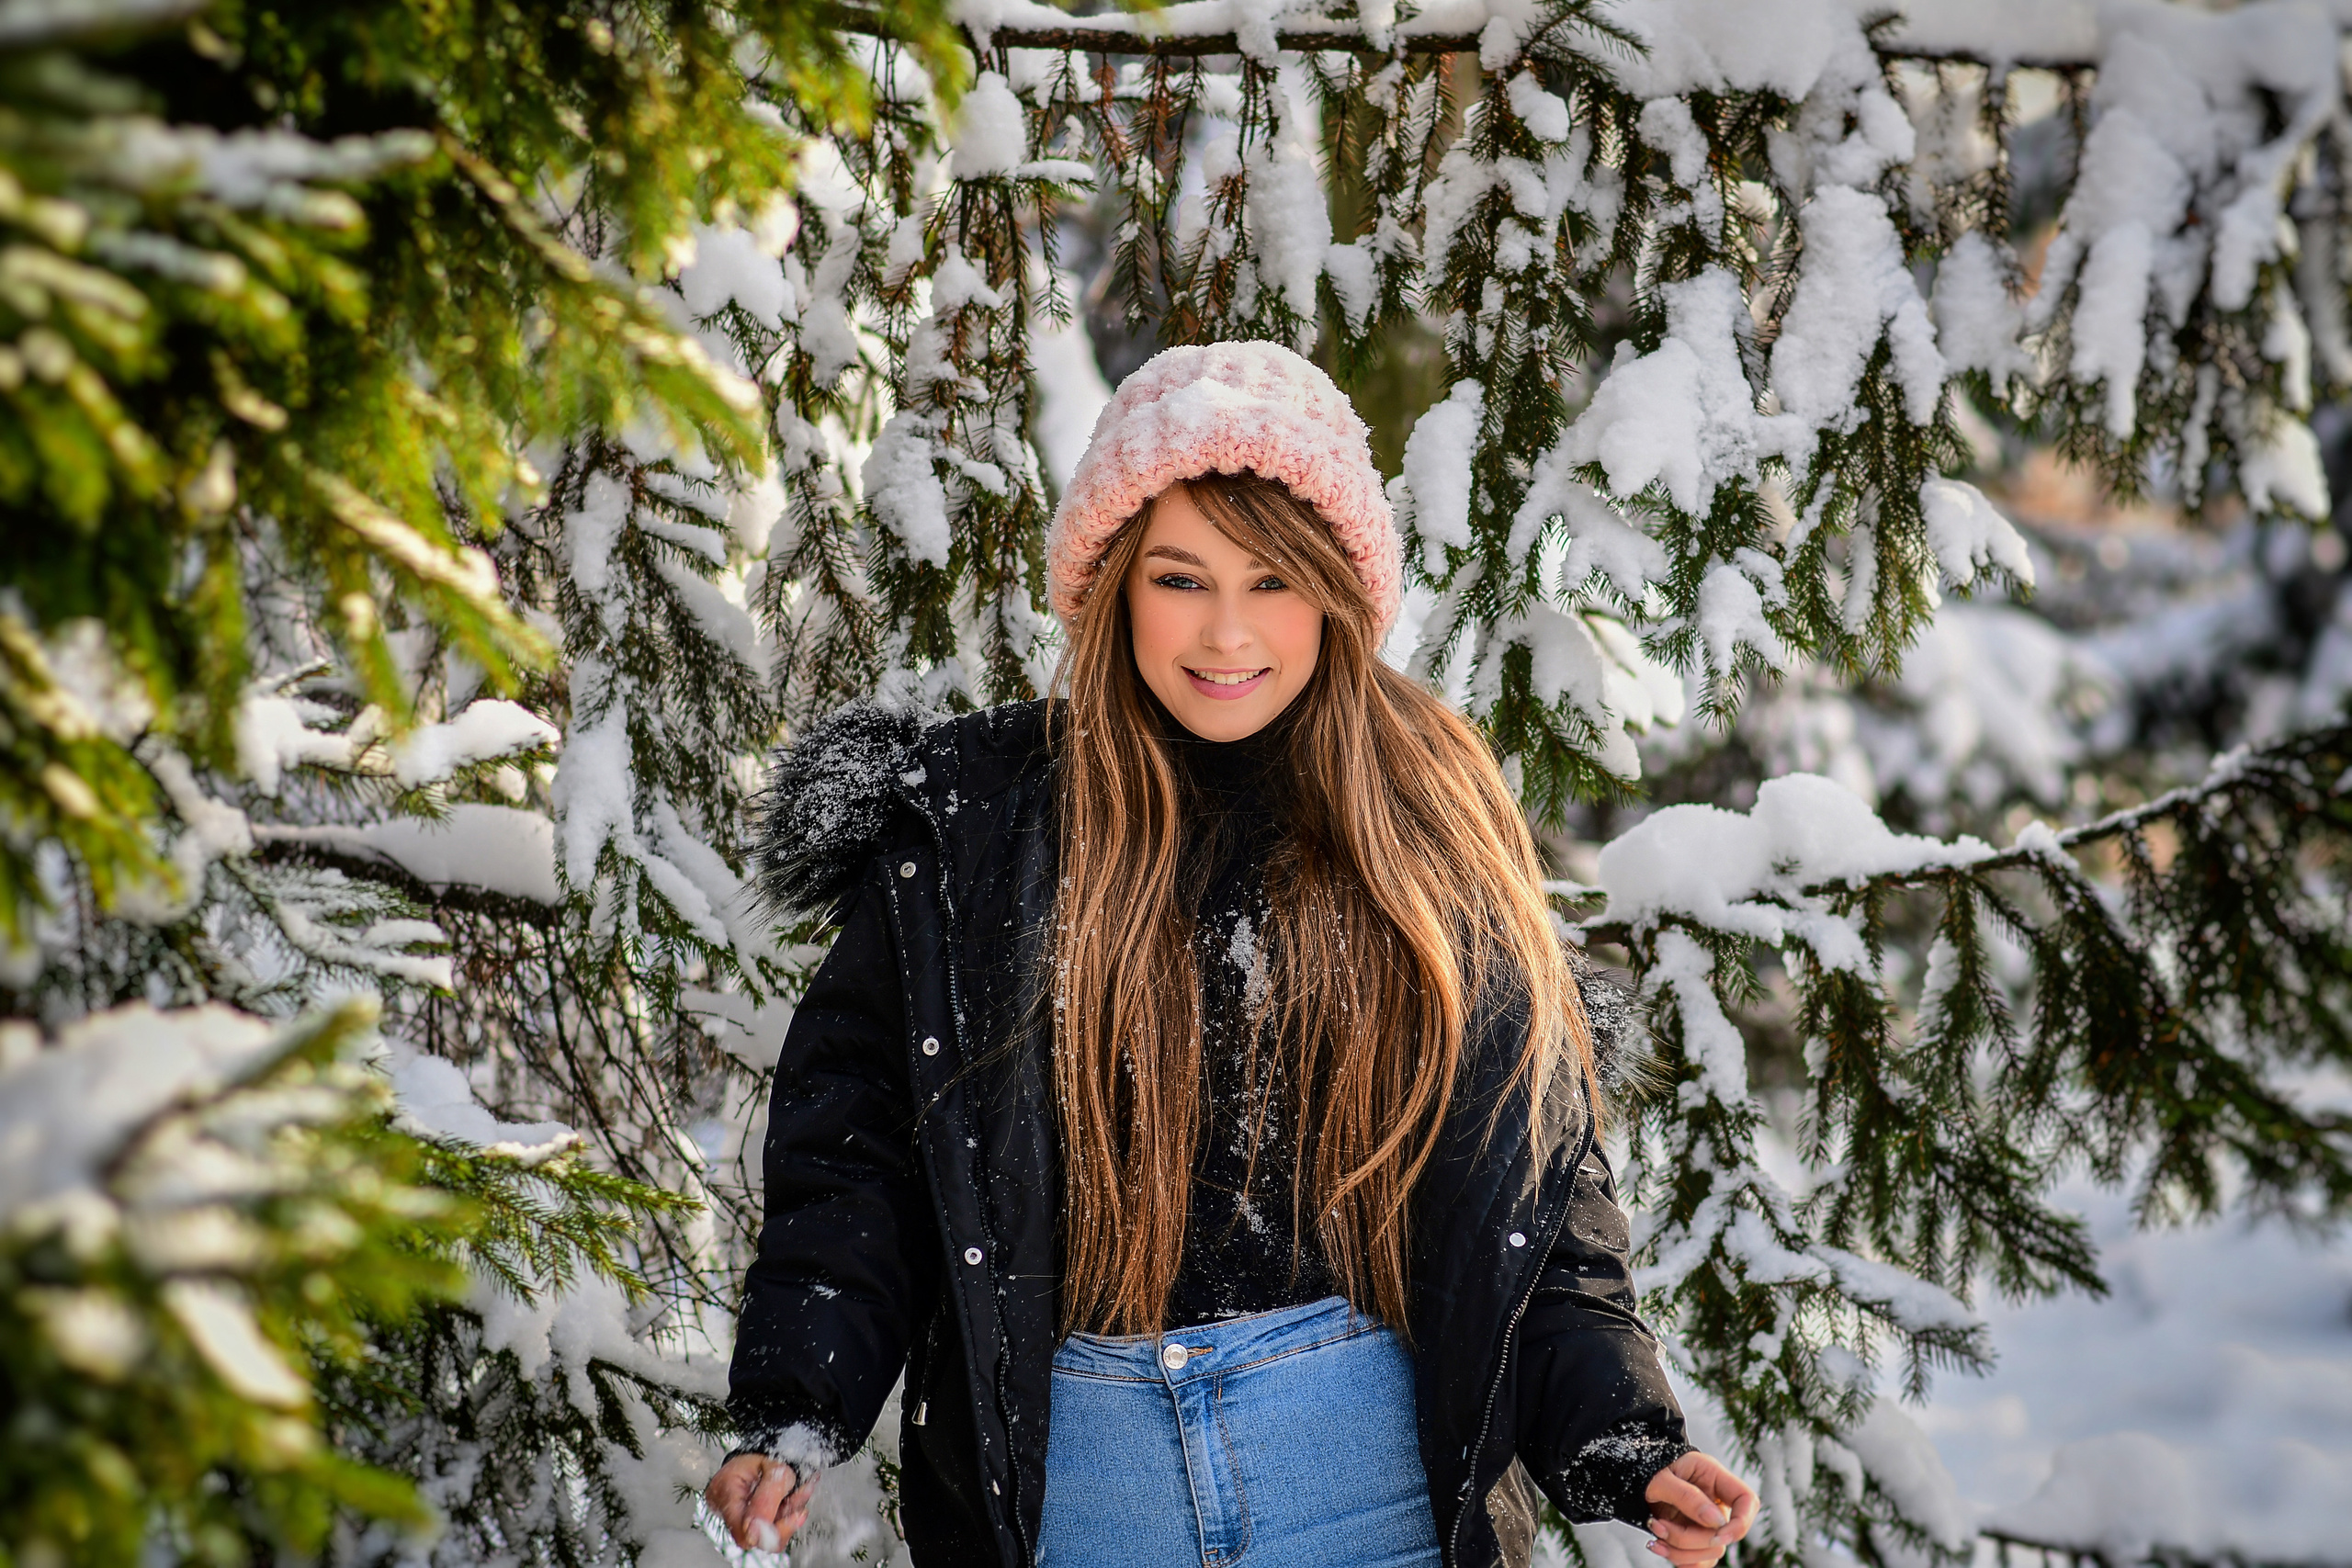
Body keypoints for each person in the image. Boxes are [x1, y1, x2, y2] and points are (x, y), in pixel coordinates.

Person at [706, 343, 1759, 1568]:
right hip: (1084, 1501)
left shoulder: (1431, 825)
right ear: (1112, 583)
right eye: (1179, 578)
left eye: (1271, 581)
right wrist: (795, 1407)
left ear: (1334, 593)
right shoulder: (978, 826)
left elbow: (1532, 1199)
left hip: (1366, 1489)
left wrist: (1627, 1439)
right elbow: (858, 1164)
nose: (1224, 633)